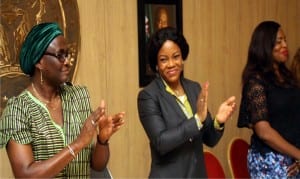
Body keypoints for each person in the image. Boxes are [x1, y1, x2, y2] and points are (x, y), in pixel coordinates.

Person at [0, 22, 125, 178]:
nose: (67, 61)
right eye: (60, 55)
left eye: (68, 54)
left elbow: (97, 166)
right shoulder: (18, 110)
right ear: (39, 61)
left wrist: (102, 140)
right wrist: (78, 143)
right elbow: (25, 174)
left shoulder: (78, 96)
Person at [137, 27, 237, 178]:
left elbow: (209, 139)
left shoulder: (194, 88)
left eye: (176, 57)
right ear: (156, 64)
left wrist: (218, 121)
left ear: (182, 58)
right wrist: (197, 120)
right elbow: (161, 142)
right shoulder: (148, 96)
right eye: (164, 60)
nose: (171, 64)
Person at [237, 20, 300, 178]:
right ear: (265, 45)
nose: (285, 45)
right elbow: (263, 131)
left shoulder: (287, 77)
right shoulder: (255, 82)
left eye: (285, 40)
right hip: (270, 160)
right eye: (279, 42)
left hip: (294, 157)